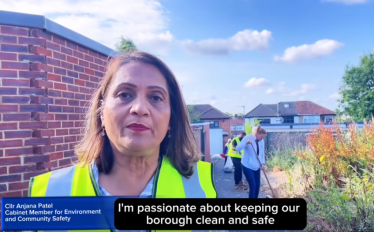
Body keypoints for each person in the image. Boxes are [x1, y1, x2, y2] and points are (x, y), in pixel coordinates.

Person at [28, 51, 217, 203]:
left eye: (155, 97)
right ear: (101, 113)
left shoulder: (204, 185)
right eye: (125, 94)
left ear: (171, 121)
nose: (140, 109)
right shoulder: (48, 192)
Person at [236, 125, 267, 198]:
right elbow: (238, 148)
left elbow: (262, 153)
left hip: (257, 166)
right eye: (261, 137)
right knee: (253, 185)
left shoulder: (261, 141)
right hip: (247, 165)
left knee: (257, 186)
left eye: (263, 137)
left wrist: (263, 163)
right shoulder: (248, 138)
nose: (262, 139)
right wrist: (246, 143)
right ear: (257, 134)